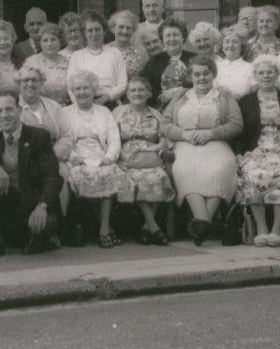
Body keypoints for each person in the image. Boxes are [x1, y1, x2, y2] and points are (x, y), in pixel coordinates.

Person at [0, 91, 62, 258]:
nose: (4, 115)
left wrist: (42, 206)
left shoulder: (38, 137)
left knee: (30, 249)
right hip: (8, 206)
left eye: (9, 109)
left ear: (19, 110)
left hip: (33, 206)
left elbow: (53, 178)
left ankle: (45, 235)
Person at [162, 55, 242, 246]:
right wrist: (183, 134)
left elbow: (236, 124)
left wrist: (211, 133)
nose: (202, 78)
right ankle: (205, 221)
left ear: (213, 74)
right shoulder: (180, 96)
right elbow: (164, 124)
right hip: (186, 145)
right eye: (197, 74)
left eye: (206, 73)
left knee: (220, 168)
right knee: (186, 170)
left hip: (216, 144)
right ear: (191, 76)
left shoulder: (224, 96)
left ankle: (201, 225)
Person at [235, 55, 280, 247]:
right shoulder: (245, 101)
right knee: (253, 173)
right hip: (256, 150)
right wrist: (240, 153)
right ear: (255, 75)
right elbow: (239, 132)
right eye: (261, 72)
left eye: (269, 72)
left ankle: (277, 229)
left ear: (277, 74)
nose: (265, 76)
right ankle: (261, 229)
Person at [61, 70, 124, 248]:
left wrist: (110, 157)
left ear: (94, 90)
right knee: (81, 176)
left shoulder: (104, 111)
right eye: (78, 88)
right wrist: (73, 156)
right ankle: (100, 228)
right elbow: (63, 140)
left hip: (101, 157)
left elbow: (114, 139)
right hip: (77, 158)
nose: (82, 92)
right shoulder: (65, 113)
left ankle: (104, 228)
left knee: (107, 174)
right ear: (72, 91)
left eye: (86, 88)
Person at [114, 78, 174, 245]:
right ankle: (154, 228)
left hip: (151, 158)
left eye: (141, 90)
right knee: (138, 179)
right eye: (133, 90)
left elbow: (164, 139)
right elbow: (111, 139)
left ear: (149, 93)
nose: (137, 93)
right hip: (126, 159)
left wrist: (157, 147)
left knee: (158, 176)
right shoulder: (118, 113)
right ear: (127, 94)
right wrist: (120, 156)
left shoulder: (156, 114)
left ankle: (147, 228)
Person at [15, 63, 72, 214]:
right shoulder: (13, 107)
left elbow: (66, 135)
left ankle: (60, 222)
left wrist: (50, 156)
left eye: (35, 80)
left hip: (53, 157)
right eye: (25, 80)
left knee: (62, 174)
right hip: (26, 160)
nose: (30, 84)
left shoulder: (53, 106)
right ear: (18, 84)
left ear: (41, 83)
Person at [67, 11, 127, 107]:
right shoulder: (76, 56)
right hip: (83, 103)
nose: (94, 34)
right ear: (84, 33)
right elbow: (70, 87)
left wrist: (105, 98)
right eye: (90, 30)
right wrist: (79, 105)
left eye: (98, 29)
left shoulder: (114, 53)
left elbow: (123, 84)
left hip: (110, 101)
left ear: (104, 31)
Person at [140, 17, 193, 107]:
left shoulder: (194, 59)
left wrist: (177, 92)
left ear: (183, 37)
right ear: (162, 39)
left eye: (175, 35)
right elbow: (145, 86)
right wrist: (161, 96)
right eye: (168, 35)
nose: (171, 39)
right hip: (161, 109)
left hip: (190, 106)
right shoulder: (154, 61)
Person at [25, 23, 70, 105]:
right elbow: (25, 90)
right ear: (39, 43)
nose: (49, 44)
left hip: (65, 110)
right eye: (45, 40)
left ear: (60, 41)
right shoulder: (32, 62)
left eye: (53, 39)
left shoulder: (68, 62)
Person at [215, 26, 255, 100]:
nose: (230, 45)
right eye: (227, 42)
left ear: (242, 47)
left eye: (235, 42)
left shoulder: (250, 68)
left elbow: (254, 96)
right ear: (222, 45)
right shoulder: (215, 67)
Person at [108, 10, 148, 79]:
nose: (124, 31)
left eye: (128, 28)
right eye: (121, 27)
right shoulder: (105, 50)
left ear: (133, 30)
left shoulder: (141, 51)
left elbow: (146, 78)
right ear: (113, 28)